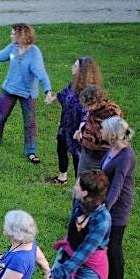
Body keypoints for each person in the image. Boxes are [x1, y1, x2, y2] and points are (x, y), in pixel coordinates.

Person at [0, 23, 55, 163]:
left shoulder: (34, 53)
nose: (11, 35)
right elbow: (1, 54)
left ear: (22, 35)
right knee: (0, 117)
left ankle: (31, 151)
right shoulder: (13, 47)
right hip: (9, 89)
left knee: (29, 123)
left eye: (13, 33)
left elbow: (41, 72)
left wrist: (48, 90)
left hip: (28, 93)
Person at [44, 56, 102, 185]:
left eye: (75, 66)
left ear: (82, 71)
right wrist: (52, 99)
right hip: (65, 124)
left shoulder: (89, 92)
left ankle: (79, 185)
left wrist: (81, 129)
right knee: (61, 148)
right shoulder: (73, 85)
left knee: (77, 156)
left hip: (78, 130)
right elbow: (63, 94)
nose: (72, 67)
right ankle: (62, 178)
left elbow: (86, 113)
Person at [100, 117, 136, 279]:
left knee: (114, 248)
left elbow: (116, 189)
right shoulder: (112, 149)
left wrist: (102, 209)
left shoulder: (125, 157)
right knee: (104, 245)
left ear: (113, 135)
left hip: (118, 209)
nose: (101, 131)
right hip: (106, 204)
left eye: (104, 129)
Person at [75, 85, 123, 175]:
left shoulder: (112, 112)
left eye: (89, 105)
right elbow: (90, 124)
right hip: (87, 153)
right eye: (86, 105)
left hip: (102, 155)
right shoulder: (93, 110)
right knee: (81, 181)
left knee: (99, 184)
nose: (87, 108)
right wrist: (82, 132)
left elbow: (119, 136)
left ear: (98, 100)